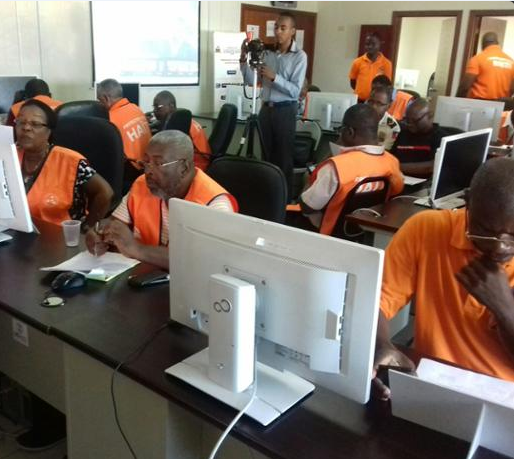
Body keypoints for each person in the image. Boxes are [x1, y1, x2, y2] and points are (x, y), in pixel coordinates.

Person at [373, 157, 514, 400]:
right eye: (485, 230)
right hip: (431, 384)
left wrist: (504, 309)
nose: (500, 247)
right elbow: (377, 300)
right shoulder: (426, 229)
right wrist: (381, 345)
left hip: (503, 398)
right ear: (467, 201)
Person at [85, 130, 238, 270]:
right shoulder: (142, 185)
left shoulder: (215, 205)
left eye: (158, 163)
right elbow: (115, 224)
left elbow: (206, 261)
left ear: (184, 167)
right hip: (142, 277)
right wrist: (100, 232)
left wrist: (137, 249)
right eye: (146, 162)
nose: (148, 171)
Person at [299, 104, 404, 235]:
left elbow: (307, 206)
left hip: (328, 234)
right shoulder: (391, 162)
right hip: (367, 234)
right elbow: (396, 193)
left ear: (349, 132)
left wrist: (308, 180)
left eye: (341, 129)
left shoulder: (336, 167)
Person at [240, 12, 308, 202]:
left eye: (283, 28)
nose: (278, 31)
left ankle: (283, 202)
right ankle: (267, 198)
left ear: (292, 31)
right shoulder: (267, 53)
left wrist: (274, 77)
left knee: (283, 159)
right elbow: (251, 80)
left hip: (285, 110)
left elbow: (295, 91)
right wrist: (243, 60)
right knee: (266, 156)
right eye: (276, 27)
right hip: (265, 110)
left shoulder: (300, 56)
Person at [15, 99, 113, 226]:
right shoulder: (8, 155)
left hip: (61, 233)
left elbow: (105, 193)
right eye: (21, 122)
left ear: (49, 131)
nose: (26, 128)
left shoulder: (71, 162)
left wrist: (87, 228)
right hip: (16, 230)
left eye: (35, 124)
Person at [390, 98, 461, 177]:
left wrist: (396, 167)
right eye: (407, 120)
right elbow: (391, 157)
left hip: (423, 182)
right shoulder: (403, 133)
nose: (410, 124)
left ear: (430, 116)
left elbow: (431, 166)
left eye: (415, 120)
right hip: (397, 177)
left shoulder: (440, 137)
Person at [151, 90, 211, 171]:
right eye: (154, 107)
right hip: (199, 159)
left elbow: (166, 151)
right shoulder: (183, 118)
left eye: (158, 107)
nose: (154, 110)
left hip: (197, 164)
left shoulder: (178, 124)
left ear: (171, 106)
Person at [457, 32, 514, 100]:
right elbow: (512, 88)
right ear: (497, 43)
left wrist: (457, 101)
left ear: (483, 44)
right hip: (502, 104)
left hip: (480, 103)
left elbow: (465, 86)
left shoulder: (477, 59)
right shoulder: (511, 61)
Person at [349, 33, 393, 102]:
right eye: (367, 44)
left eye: (373, 44)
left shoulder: (387, 64)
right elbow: (353, 82)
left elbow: (386, 85)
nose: (369, 46)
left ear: (380, 44)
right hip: (359, 100)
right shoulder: (357, 62)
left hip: (376, 101)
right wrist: (362, 92)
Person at [367, 83, 400, 150]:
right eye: (371, 102)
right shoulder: (361, 117)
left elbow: (385, 151)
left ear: (389, 105)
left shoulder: (393, 127)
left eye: (379, 103)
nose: (373, 106)